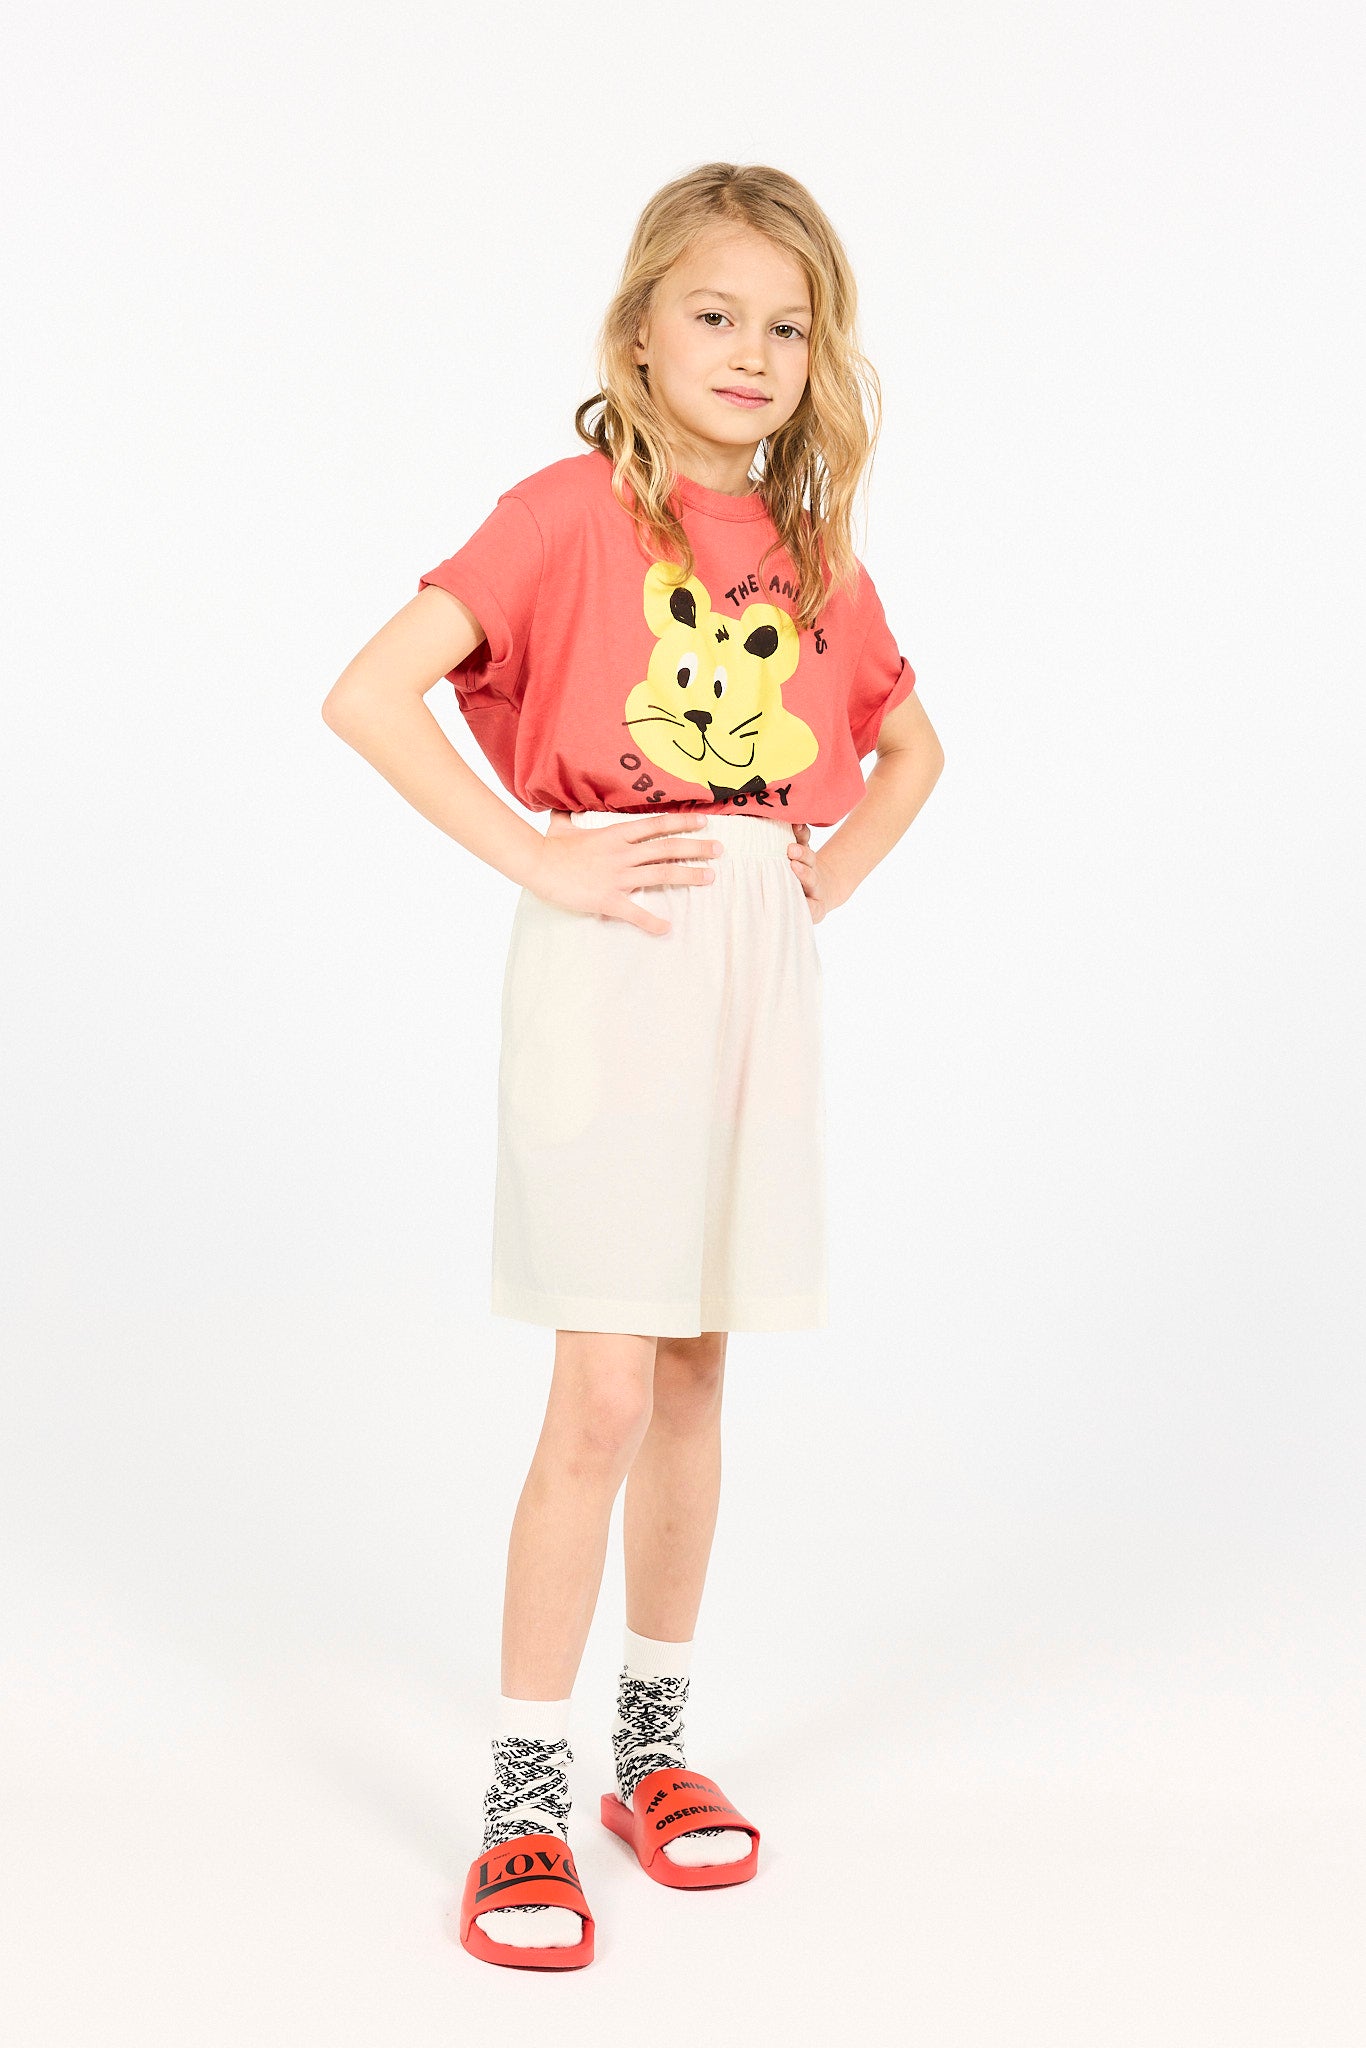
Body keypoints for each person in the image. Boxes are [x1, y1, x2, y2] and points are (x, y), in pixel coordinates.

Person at [321, 160, 945, 1972]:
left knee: (689, 1374)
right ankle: (524, 1794)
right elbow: (368, 694)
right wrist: (541, 856)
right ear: (640, 333)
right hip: (615, 965)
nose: (751, 351)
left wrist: (818, 876)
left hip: (758, 969)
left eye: (787, 324)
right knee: (596, 1388)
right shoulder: (563, 515)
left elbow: (911, 750)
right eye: (713, 313)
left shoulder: (813, 560)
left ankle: (649, 1752)